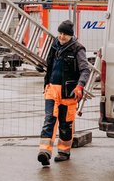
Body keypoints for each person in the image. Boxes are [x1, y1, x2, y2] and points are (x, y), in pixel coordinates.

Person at [38, 20, 91, 166]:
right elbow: (49, 63)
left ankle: (64, 151)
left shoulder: (78, 49)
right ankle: (45, 152)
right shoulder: (55, 45)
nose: (61, 37)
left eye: (64, 35)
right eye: (60, 33)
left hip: (68, 93)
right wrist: (41, 67)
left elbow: (85, 70)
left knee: (65, 124)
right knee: (49, 120)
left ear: (71, 36)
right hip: (52, 90)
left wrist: (80, 86)